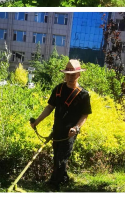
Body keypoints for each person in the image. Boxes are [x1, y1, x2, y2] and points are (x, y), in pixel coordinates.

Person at [30, 60, 92, 191]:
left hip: (70, 133)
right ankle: (63, 178)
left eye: (73, 75)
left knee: (61, 158)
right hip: (57, 130)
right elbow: (49, 107)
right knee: (57, 156)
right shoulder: (58, 89)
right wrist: (37, 122)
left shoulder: (83, 95)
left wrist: (76, 128)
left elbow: (84, 115)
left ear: (79, 75)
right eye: (68, 74)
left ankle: (53, 185)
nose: (70, 77)